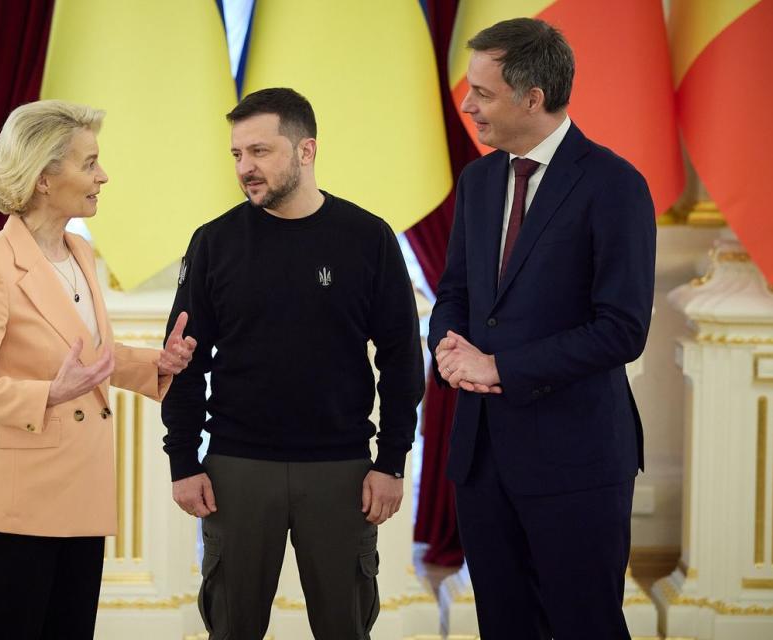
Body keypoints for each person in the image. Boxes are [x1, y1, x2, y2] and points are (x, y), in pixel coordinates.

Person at [162, 87, 424, 640]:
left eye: (259, 152)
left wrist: (392, 460)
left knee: (344, 628)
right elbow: (182, 360)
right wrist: (183, 461)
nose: (245, 168)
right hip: (235, 468)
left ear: (306, 151)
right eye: (237, 155)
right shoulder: (213, 243)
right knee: (231, 629)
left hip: (342, 470)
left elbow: (402, 359)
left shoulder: (368, 238)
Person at [429, 19, 656, 640]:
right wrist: (448, 348)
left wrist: (498, 367)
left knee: (585, 625)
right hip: (481, 459)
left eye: (482, 92)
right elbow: (455, 294)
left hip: (576, 460)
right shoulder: (477, 180)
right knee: (503, 625)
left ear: (533, 98)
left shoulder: (615, 186)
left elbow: (621, 329)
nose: (468, 105)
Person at [0, 99, 196, 639]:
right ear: (42, 177)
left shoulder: (78, 251)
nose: (102, 176)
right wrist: (47, 395)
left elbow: (85, 357)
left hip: (80, 500)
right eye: (89, 163)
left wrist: (159, 363)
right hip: (15, 508)